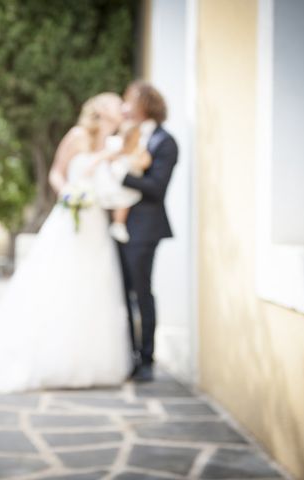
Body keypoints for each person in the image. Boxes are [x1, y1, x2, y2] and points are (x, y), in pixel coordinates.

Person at [0, 93, 147, 393]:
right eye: (113, 103)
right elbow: (57, 172)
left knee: (94, 289)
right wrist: (69, 192)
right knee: (57, 284)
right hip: (70, 218)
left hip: (96, 222)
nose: (120, 107)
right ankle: (49, 359)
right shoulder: (78, 135)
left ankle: (88, 362)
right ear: (99, 110)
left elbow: (118, 178)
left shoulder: (114, 144)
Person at [118, 80, 178, 382]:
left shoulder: (165, 142)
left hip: (145, 230)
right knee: (120, 295)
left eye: (131, 101)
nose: (125, 107)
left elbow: (156, 188)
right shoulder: (129, 136)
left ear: (145, 105)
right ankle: (128, 355)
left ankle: (147, 359)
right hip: (118, 229)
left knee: (141, 294)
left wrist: (121, 177)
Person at [107, 121, 152, 243]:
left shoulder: (139, 149)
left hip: (131, 181)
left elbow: (146, 162)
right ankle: (118, 224)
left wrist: (134, 162)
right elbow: (109, 158)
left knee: (124, 202)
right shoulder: (118, 147)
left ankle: (118, 224)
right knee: (121, 201)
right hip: (120, 182)